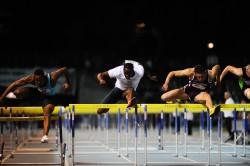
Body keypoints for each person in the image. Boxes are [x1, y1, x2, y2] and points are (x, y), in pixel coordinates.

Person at [0, 67, 71, 143]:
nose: (38, 82)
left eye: (40, 80)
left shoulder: (53, 77)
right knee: (17, 92)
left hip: (50, 97)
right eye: (36, 80)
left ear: (44, 77)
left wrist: (68, 82)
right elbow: (14, 84)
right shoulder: (31, 79)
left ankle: (45, 136)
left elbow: (65, 69)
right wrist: (1, 97)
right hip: (38, 95)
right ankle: (12, 96)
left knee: (47, 110)